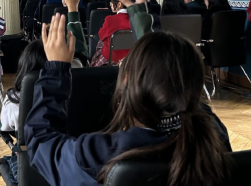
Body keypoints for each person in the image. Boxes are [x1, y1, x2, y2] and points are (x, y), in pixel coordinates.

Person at [25, 10, 232, 185]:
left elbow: (42, 143)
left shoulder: (101, 153)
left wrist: (56, 70)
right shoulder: (214, 135)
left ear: (126, 82)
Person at [90, 0, 131, 67]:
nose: (110, 4)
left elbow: (101, 35)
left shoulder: (110, 19)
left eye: (112, 2)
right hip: (131, 59)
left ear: (119, 4)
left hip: (111, 59)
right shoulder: (135, 20)